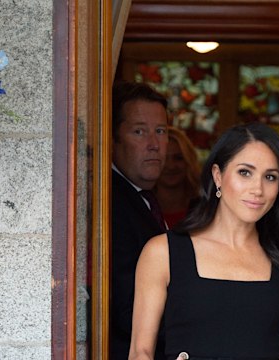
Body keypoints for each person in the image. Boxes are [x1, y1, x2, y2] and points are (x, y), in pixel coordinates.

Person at [129, 123, 279, 360]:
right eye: (245, 172)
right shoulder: (163, 253)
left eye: (270, 177)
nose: (257, 189)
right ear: (218, 175)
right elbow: (140, 352)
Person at [110, 81, 169, 360]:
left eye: (160, 131)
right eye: (139, 131)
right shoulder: (111, 204)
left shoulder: (143, 197)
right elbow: (125, 307)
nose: (154, 144)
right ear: (113, 139)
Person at [154, 126, 202, 228]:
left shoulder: (205, 208)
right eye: (164, 158)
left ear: (189, 160)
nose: (171, 166)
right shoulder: (141, 207)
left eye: (178, 158)